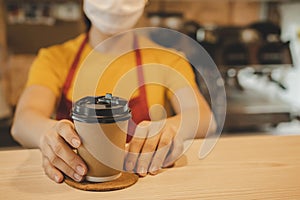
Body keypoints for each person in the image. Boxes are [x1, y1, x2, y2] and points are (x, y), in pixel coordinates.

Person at [11, 0, 216, 184]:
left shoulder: (168, 59)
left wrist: (171, 128)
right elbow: (23, 121)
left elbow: (204, 117)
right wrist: (47, 134)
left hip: (147, 185)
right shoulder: (54, 58)